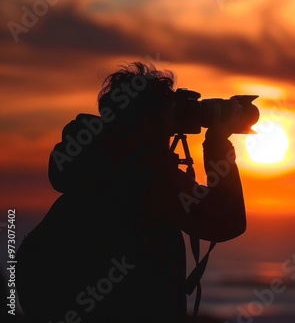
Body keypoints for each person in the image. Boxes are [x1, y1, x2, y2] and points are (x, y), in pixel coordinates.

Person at [16, 62, 246, 323]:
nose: (176, 122)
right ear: (148, 121)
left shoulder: (93, 159)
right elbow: (226, 222)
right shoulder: (145, 173)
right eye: (171, 113)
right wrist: (217, 143)